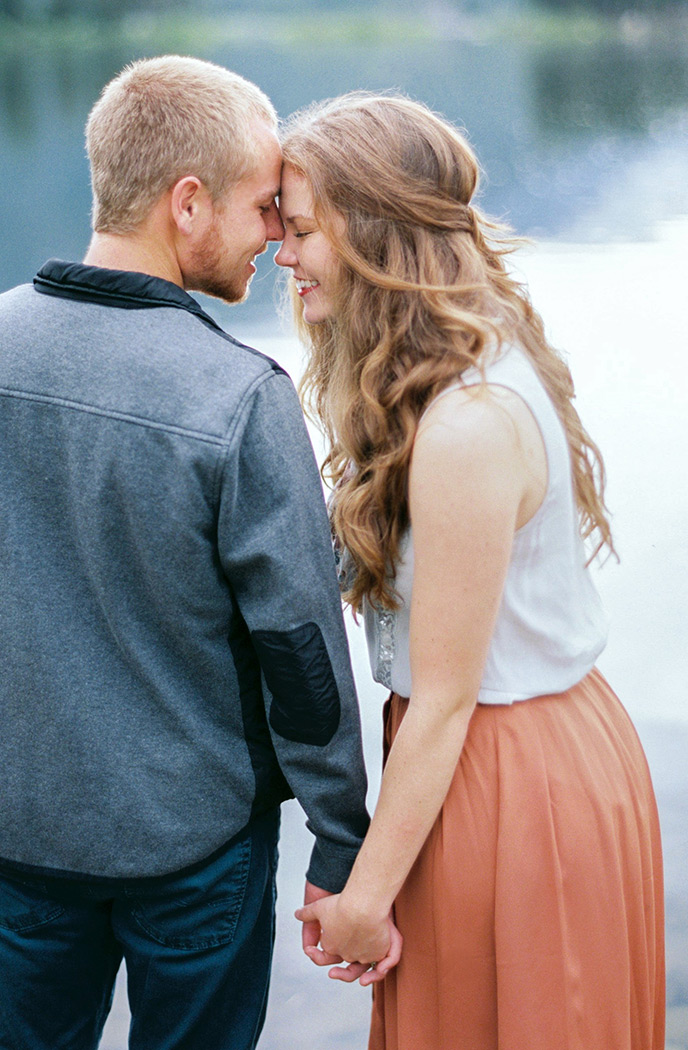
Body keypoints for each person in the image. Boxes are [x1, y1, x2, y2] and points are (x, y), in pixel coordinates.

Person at [0, 56, 371, 1050]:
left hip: (17, 833)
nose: (273, 238)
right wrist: (340, 835)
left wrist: (14, 704)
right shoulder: (238, 396)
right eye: (261, 208)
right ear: (186, 205)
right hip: (194, 850)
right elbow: (300, 657)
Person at [275, 93, 666, 1050]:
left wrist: (365, 899)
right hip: (487, 757)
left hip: (507, 776)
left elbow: (447, 696)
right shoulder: (450, 369)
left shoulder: (466, 423)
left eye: (301, 230)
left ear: (372, 230)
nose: (281, 256)